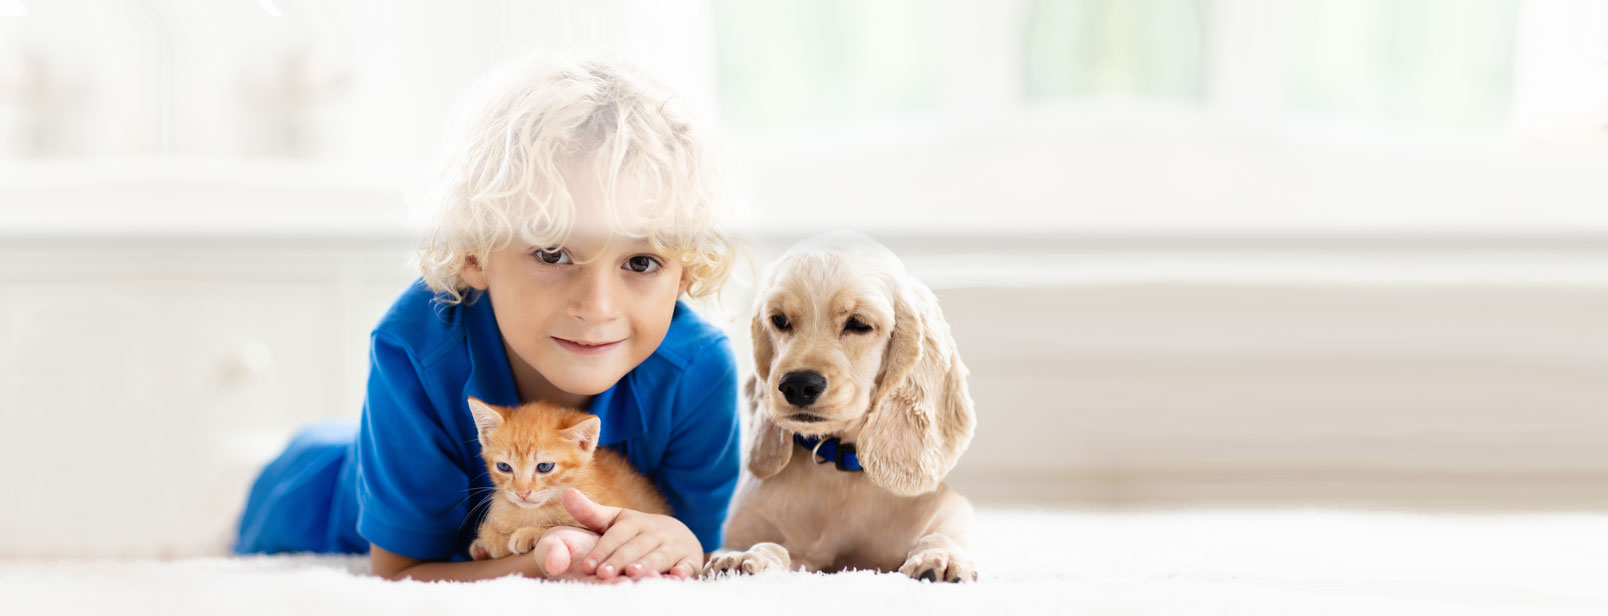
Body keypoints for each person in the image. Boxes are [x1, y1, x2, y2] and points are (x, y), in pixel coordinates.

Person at [234, 55, 741, 583]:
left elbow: (698, 547)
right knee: (294, 469)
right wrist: (542, 564)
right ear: (474, 254)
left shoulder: (700, 373)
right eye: (551, 253)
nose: (598, 306)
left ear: (685, 271)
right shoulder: (414, 346)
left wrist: (682, 541)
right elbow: (400, 573)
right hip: (314, 494)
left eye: (641, 262)